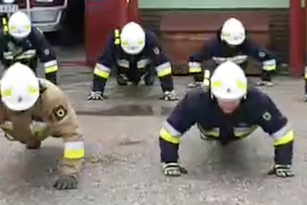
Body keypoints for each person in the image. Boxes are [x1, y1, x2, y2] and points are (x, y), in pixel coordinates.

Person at [0, 62, 85, 191]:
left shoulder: (52, 96)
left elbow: (72, 133)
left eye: (24, 109)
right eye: (15, 109)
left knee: (62, 128)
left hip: (48, 126)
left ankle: (33, 138)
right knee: (25, 131)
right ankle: (31, 140)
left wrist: (70, 173)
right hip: (16, 129)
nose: (20, 112)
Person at [159, 62, 295, 178]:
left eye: (233, 100)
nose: (228, 105)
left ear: (244, 95)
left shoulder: (259, 101)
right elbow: (170, 131)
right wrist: (170, 162)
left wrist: (282, 164)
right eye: (224, 100)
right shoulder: (196, 100)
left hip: (242, 130)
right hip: (210, 129)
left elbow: (283, 133)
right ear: (213, 94)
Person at [88, 21, 177, 101]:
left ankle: (147, 75)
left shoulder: (150, 39)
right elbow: (103, 66)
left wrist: (168, 90)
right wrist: (97, 90)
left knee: (149, 78)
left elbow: (162, 66)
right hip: (123, 64)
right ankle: (122, 76)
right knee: (121, 73)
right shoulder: (114, 40)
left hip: (144, 65)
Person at [187, 17, 279, 87]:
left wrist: (266, 79)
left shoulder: (248, 44)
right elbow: (195, 59)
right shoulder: (212, 45)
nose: (233, 46)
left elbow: (268, 58)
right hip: (218, 69)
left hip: (240, 68)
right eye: (230, 43)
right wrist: (198, 80)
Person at [0, 11, 59, 87]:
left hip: (30, 67)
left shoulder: (36, 36)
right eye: (16, 38)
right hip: (9, 68)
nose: (19, 40)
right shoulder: (2, 37)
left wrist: (51, 81)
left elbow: (49, 59)